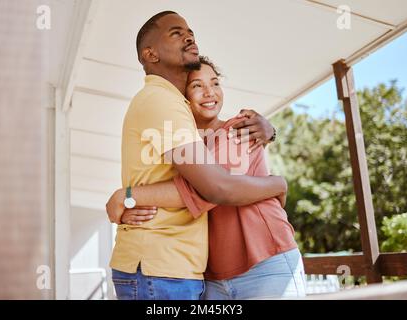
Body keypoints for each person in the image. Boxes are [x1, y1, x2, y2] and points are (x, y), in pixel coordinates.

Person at [108, 11, 288, 300]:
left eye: (190, 32)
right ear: (150, 53)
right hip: (162, 268)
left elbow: (210, 184)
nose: (189, 36)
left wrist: (128, 195)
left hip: (202, 267)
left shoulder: (217, 124)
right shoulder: (163, 101)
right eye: (176, 33)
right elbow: (216, 186)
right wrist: (279, 184)